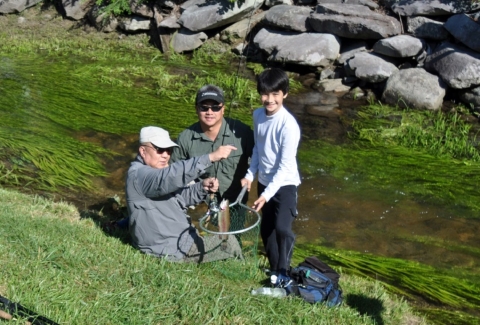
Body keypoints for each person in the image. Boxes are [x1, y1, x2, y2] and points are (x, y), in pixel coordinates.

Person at [126, 126, 243, 263]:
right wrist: (210, 158)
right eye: (159, 150)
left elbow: (179, 199)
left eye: (169, 150)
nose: (166, 155)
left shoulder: (152, 172)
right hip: (171, 249)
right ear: (143, 150)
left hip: (180, 240)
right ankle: (243, 272)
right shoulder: (140, 175)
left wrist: (202, 187)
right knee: (231, 242)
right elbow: (170, 176)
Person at [240, 68, 301, 285]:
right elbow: (258, 148)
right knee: (266, 229)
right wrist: (250, 175)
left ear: (285, 94)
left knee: (283, 229)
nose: (270, 99)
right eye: (265, 94)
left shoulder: (289, 126)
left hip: (285, 185)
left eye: (276, 94)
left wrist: (265, 195)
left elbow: (285, 167)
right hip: (265, 182)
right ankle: (275, 270)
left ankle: (285, 270)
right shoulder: (258, 115)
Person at [170, 84, 254, 206]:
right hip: (202, 203)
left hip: (236, 201)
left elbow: (260, 159)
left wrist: (250, 176)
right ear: (196, 109)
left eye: (215, 108)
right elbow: (174, 173)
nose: (209, 112)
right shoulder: (185, 138)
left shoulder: (243, 133)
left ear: (223, 109)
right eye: (204, 108)